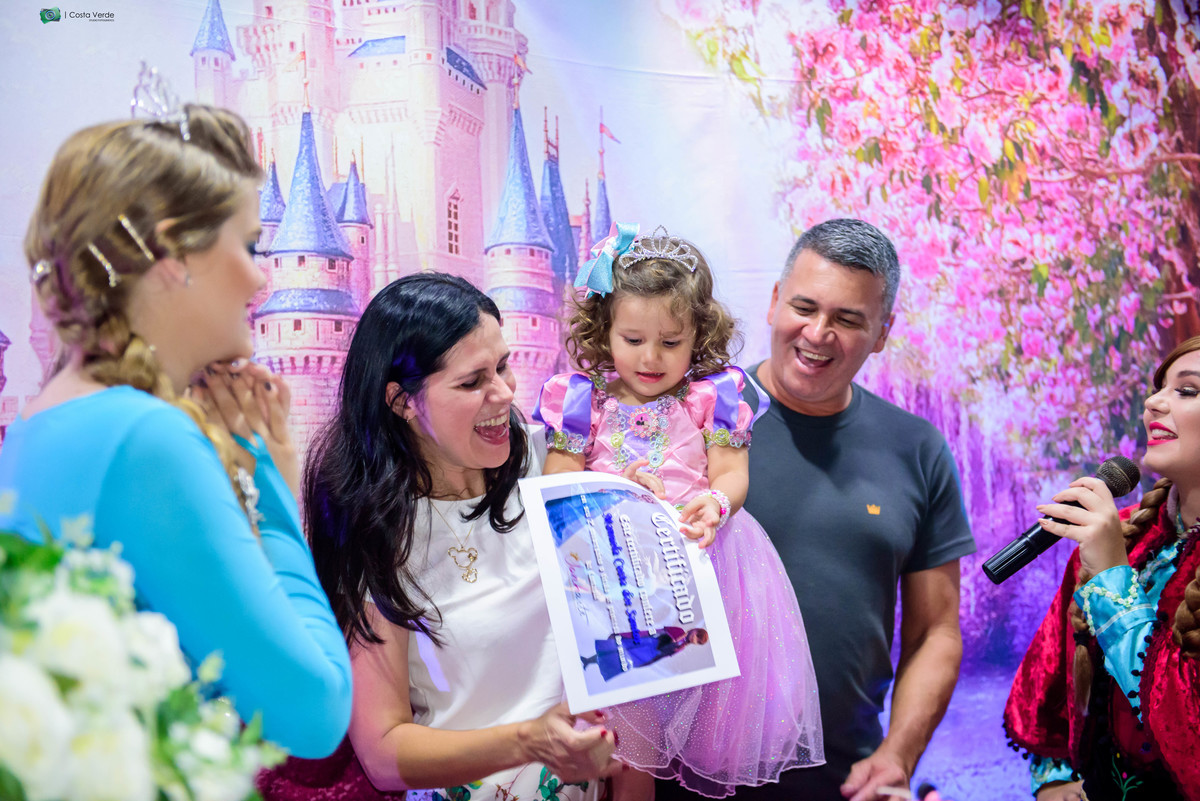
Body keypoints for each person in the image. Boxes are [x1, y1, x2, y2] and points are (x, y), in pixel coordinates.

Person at [0, 104, 352, 757]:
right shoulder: (146, 438)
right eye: (248, 245)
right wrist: (270, 483)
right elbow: (316, 709)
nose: (262, 276)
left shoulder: (36, 421)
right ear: (171, 255)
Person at [261, 274, 618, 801]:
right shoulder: (379, 535)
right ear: (403, 401)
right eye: (472, 382)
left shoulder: (554, 460)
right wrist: (529, 740)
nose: (505, 393)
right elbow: (383, 753)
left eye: (503, 366)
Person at [660, 218, 975, 801]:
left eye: (848, 319)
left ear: (882, 333)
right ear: (775, 301)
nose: (818, 333)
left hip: (843, 785)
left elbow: (935, 631)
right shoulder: (682, 417)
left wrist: (898, 755)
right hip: (677, 783)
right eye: (804, 307)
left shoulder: (918, 448)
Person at [536, 224, 824, 798]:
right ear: (604, 330)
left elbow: (731, 474)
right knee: (600, 731)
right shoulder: (583, 400)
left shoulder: (711, 397)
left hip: (689, 574)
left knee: (645, 745)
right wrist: (612, 488)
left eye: (670, 342)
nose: (650, 357)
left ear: (698, 335)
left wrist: (716, 502)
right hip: (605, 576)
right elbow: (557, 482)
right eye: (633, 338)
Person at [1004, 336, 1200, 801]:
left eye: (1187, 390)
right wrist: (1053, 778)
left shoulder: (1111, 548)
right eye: (1158, 388)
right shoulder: (1124, 533)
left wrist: (1114, 576)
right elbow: (1050, 673)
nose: (1153, 402)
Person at [582, 628, 710, 681]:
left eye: (697, 641)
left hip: (649, 654)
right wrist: (637, 634)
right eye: (697, 636)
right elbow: (658, 631)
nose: (694, 639)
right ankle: (589, 660)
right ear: (695, 630)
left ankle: (591, 662)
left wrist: (648, 663)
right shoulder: (679, 631)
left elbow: (664, 655)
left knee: (619, 660)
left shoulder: (682, 647)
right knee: (616, 650)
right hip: (647, 643)